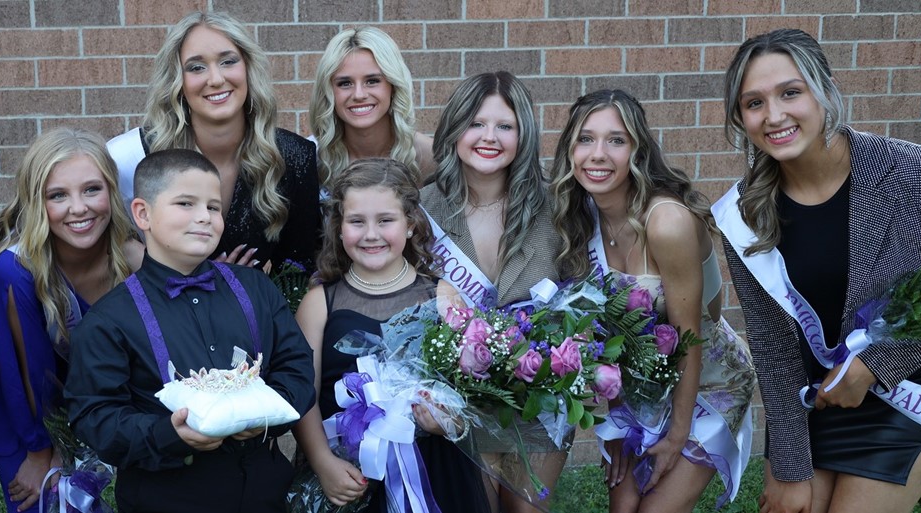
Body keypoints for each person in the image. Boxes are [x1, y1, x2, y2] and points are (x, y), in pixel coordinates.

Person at [715, 29, 921, 513]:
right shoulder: (745, 213)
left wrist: (876, 366)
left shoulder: (915, 174)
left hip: (909, 395)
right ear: (740, 118)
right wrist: (787, 467)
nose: (774, 116)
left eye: (791, 92)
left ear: (825, 90)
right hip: (819, 405)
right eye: (754, 103)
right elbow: (773, 351)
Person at [66, 149, 315, 512]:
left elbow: (298, 366)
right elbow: (95, 416)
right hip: (167, 496)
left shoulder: (257, 289)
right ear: (143, 214)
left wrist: (265, 413)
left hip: (264, 491)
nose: (204, 218)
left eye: (214, 207)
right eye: (186, 203)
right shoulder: (110, 320)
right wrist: (168, 433)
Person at [549, 90, 757, 511]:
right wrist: (622, 422)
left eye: (616, 140)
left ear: (637, 151)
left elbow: (688, 337)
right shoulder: (578, 220)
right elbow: (611, 336)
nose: (598, 155)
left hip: (708, 386)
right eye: (585, 139)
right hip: (640, 389)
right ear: (570, 150)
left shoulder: (666, 223)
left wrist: (677, 435)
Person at [293, 157, 489, 511]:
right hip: (350, 472)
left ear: (411, 224)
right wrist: (323, 462)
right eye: (356, 222)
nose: (371, 234)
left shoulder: (442, 296)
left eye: (385, 220)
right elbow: (302, 394)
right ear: (339, 228)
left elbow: (470, 392)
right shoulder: (319, 303)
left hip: (434, 470)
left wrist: (447, 419)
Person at [420, 70, 565, 512]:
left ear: (524, 134)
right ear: (455, 129)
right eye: (476, 123)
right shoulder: (423, 209)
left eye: (505, 126)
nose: (490, 137)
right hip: (461, 402)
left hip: (539, 396)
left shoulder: (556, 206)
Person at [0, 128, 143, 513]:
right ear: (37, 202)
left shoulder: (135, 257)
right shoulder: (15, 270)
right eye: (58, 195)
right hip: (15, 400)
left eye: (92, 189)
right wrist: (39, 450)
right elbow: (25, 371)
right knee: (47, 504)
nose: (79, 208)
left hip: (91, 394)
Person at [106, 10, 321, 273]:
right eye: (196, 67)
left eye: (228, 61)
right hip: (163, 309)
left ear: (248, 68)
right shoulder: (131, 156)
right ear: (177, 80)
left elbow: (299, 267)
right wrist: (195, 278)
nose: (216, 79)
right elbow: (111, 243)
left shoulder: (294, 156)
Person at [309, 27, 435, 186]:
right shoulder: (310, 158)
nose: (359, 95)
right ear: (328, 91)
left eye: (372, 81)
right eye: (345, 83)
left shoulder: (431, 157)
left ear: (393, 86)